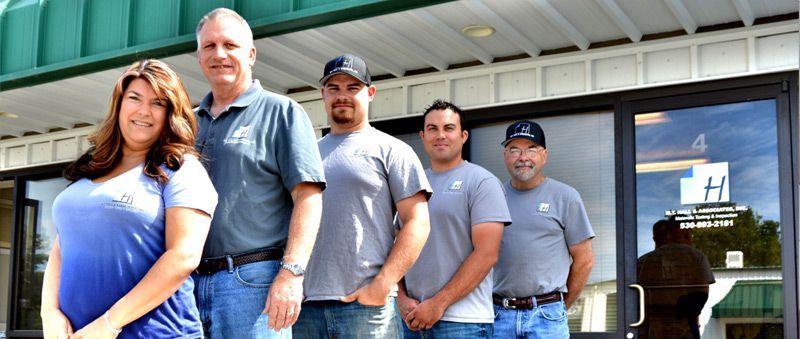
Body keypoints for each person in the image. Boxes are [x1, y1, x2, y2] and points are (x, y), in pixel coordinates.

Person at [41, 59, 218, 338]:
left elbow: (183, 257)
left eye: (158, 103)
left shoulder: (181, 170)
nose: (144, 111)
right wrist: (49, 313)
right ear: (120, 105)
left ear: (171, 113)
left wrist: (108, 324)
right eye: (134, 98)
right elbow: (61, 248)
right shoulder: (90, 170)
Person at [191, 8, 326, 338]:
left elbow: (308, 198)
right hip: (188, 285)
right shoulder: (186, 124)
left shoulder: (282, 112)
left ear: (250, 54)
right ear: (198, 57)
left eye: (229, 45)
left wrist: (292, 273)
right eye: (209, 46)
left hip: (253, 282)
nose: (219, 54)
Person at [293, 54, 431, 338]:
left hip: (366, 310)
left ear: (370, 93)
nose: (342, 95)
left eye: (352, 87)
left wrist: (383, 284)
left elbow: (418, 222)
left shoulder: (392, 150)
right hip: (305, 308)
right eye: (334, 88)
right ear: (322, 94)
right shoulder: (305, 155)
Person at [398, 100, 511, 338]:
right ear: (422, 135)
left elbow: (487, 254)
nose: (440, 135)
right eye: (432, 128)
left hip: (463, 323)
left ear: (463, 136)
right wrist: (401, 298)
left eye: (449, 128)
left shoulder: (482, 182)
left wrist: (438, 304)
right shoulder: (411, 186)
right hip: (410, 320)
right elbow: (394, 247)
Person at [492, 120, 595, 339]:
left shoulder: (566, 197)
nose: (523, 157)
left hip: (547, 317)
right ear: (505, 156)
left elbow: (584, 260)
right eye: (514, 150)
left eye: (531, 149)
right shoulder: (491, 197)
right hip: (498, 316)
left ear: (544, 155)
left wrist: (558, 307)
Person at [638, 218, 715, 339]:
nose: (691, 237)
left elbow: (637, 295)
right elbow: (702, 293)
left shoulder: (644, 260)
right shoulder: (696, 256)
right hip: (685, 324)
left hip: (653, 325)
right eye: (689, 233)